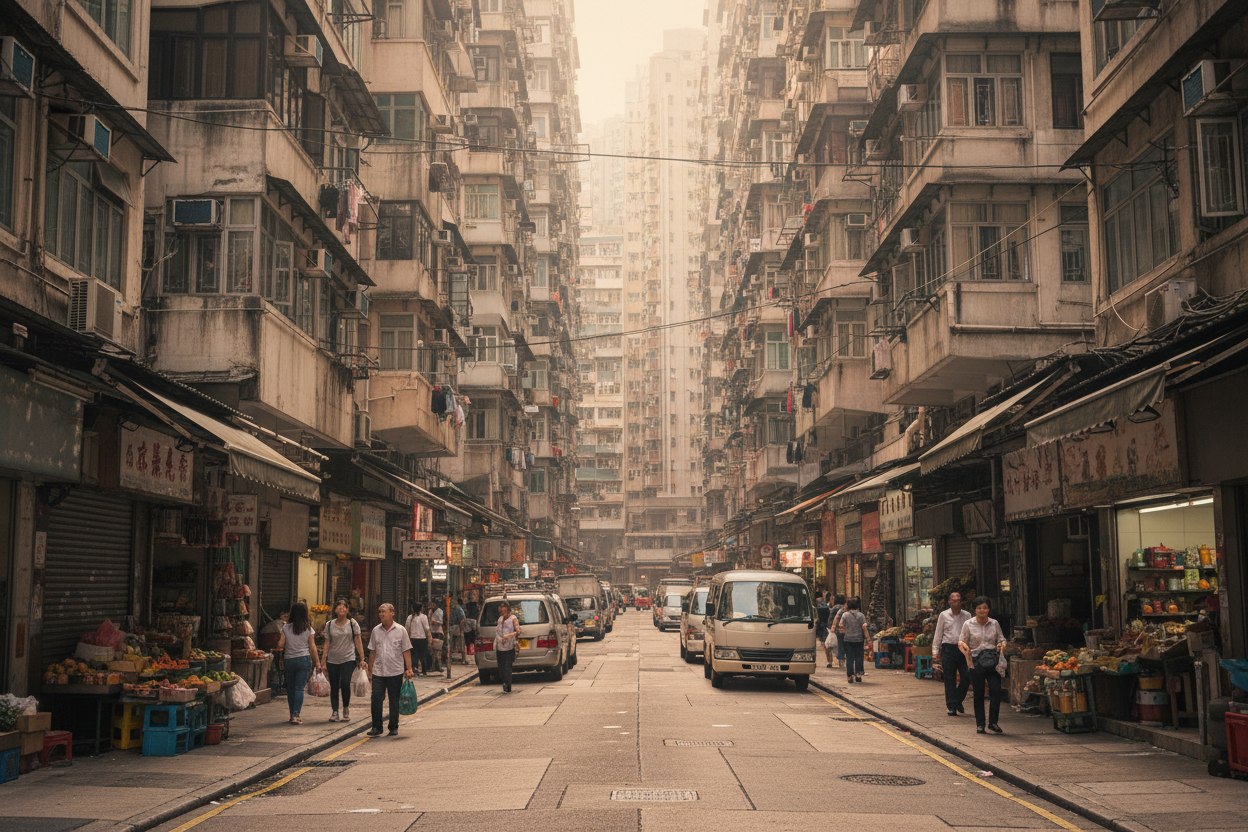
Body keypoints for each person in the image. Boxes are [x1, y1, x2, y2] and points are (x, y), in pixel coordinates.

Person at [959, 595, 1007, 735]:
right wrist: (967, 655)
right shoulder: (968, 624)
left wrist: (1001, 645)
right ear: (975, 610)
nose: (982, 610)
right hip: (976, 661)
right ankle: (980, 724)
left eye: (985, 607)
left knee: (996, 691)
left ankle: (993, 722)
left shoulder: (994, 623)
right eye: (979, 608)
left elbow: (1002, 639)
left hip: (992, 661)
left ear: (988, 609)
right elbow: (961, 642)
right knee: (978, 694)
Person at [366, 603, 414, 737]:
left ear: (392, 613)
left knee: (394, 700)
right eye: (380, 612)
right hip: (378, 671)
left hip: (395, 671)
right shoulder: (376, 630)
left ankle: (393, 726)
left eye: (384, 612)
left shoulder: (401, 630)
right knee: (376, 698)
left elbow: (406, 651)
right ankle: (376, 726)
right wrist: (370, 671)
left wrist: (409, 669)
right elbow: (372, 652)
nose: (381, 614)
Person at [320, 598, 365, 722]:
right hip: (333, 659)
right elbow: (327, 643)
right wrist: (323, 660)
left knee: (345, 683)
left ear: (347, 609)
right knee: (334, 685)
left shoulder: (352, 623)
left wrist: (362, 658)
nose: (341, 608)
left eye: (344, 606)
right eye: (339, 605)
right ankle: (335, 711)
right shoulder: (329, 624)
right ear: (335, 609)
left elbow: (358, 640)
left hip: (348, 658)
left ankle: (345, 707)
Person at [277, 602, 319, 724]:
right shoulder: (309, 629)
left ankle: (291, 715)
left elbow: (280, 644)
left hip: (289, 660)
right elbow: (312, 647)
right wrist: (317, 662)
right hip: (303, 660)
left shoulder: (285, 627)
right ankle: (296, 715)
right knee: (299, 688)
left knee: (290, 688)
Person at [932, 591, 973, 717]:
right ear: (949, 601)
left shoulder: (967, 615)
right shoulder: (943, 615)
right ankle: (951, 706)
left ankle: (958, 700)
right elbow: (938, 634)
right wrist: (935, 652)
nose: (956, 603)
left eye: (958, 600)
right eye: (954, 600)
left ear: (961, 602)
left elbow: (971, 633)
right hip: (948, 649)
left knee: (967, 677)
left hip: (963, 649)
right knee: (949, 678)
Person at [838, 597, 870, 683]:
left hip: (848, 639)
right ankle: (858, 675)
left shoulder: (845, 615)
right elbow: (864, 626)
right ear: (857, 606)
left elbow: (841, 625)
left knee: (849, 658)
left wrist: (846, 631)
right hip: (859, 639)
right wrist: (868, 639)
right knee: (859, 657)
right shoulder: (861, 615)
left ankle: (850, 676)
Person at [494, 600, 520, 693]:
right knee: (501, 668)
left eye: (504, 611)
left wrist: (507, 636)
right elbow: (497, 632)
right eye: (501, 612)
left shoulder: (513, 618)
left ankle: (508, 685)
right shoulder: (500, 619)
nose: (503, 613)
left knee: (507, 667)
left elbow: (518, 631)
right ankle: (504, 682)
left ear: (508, 610)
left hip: (509, 647)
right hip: (500, 647)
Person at [405, 601, 431, 675]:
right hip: (422, 639)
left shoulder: (409, 617)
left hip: (413, 639)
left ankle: (414, 669)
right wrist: (430, 639)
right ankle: (424, 670)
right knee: (422, 655)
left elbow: (407, 629)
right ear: (421, 609)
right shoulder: (423, 617)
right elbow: (427, 629)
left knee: (413, 655)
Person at [816, 593, 832, 667]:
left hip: (823, 627)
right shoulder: (828, 609)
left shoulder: (819, 609)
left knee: (826, 644)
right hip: (827, 627)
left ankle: (829, 660)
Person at [429, 599, 445, 672]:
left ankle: (439, 666)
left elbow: (440, 622)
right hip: (432, 632)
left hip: (438, 632)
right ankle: (433, 666)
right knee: (433, 651)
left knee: (438, 651)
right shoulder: (431, 612)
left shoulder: (439, 612)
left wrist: (433, 621)